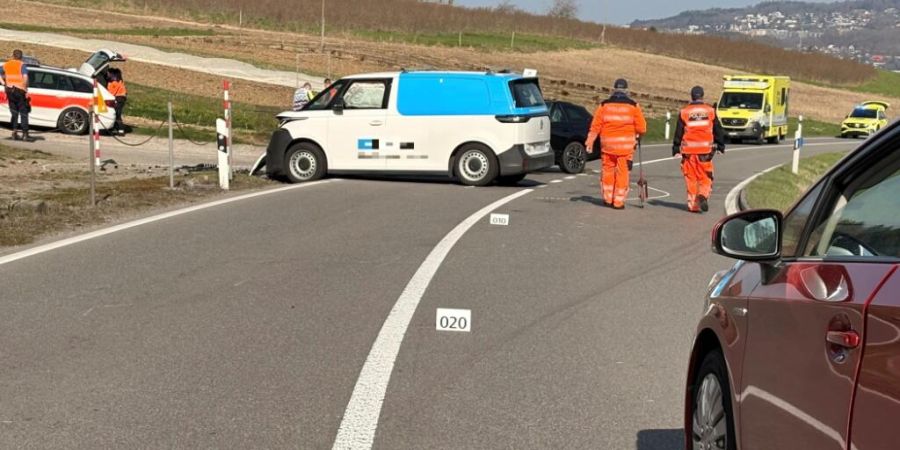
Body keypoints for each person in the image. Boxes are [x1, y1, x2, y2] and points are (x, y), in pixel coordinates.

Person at [585, 78, 647, 209]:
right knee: (622, 173)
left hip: (607, 146)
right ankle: (618, 201)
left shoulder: (604, 105)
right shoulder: (633, 106)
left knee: (607, 171)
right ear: (626, 91)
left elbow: (595, 126)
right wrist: (638, 136)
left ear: (614, 90)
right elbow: (642, 128)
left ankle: (607, 198)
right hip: (625, 148)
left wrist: (590, 141)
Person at [672, 85, 726, 213]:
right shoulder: (710, 111)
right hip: (705, 152)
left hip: (688, 152)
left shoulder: (684, 112)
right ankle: (703, 195)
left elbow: (678, 132)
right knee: (705, 177)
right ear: (702, 96)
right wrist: (721, 146)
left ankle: (693, 205)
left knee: (690, 178)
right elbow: (718, 129)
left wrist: (676, 149)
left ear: (691, 96)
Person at [2, 49, 33, 142]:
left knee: (14, 113)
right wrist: (25, 88)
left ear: (13, 55)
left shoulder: (6, 64)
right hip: (20, 91)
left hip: (9, 91)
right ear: (21, 56)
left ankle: (14, 132)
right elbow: (25, 77)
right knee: (23, 113)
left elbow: (0, 74)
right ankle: (25, 134)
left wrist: (4, 83)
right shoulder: (22, 65)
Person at [106, 68, 128, 135]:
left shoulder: (114, 83)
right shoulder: (120, 81)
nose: (107, 74)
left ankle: (121, 129)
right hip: (122, 98)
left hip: (119, 98)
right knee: (116, 113)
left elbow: (111, 93)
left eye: (108, 73)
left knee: (117, 114)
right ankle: (115, 129)